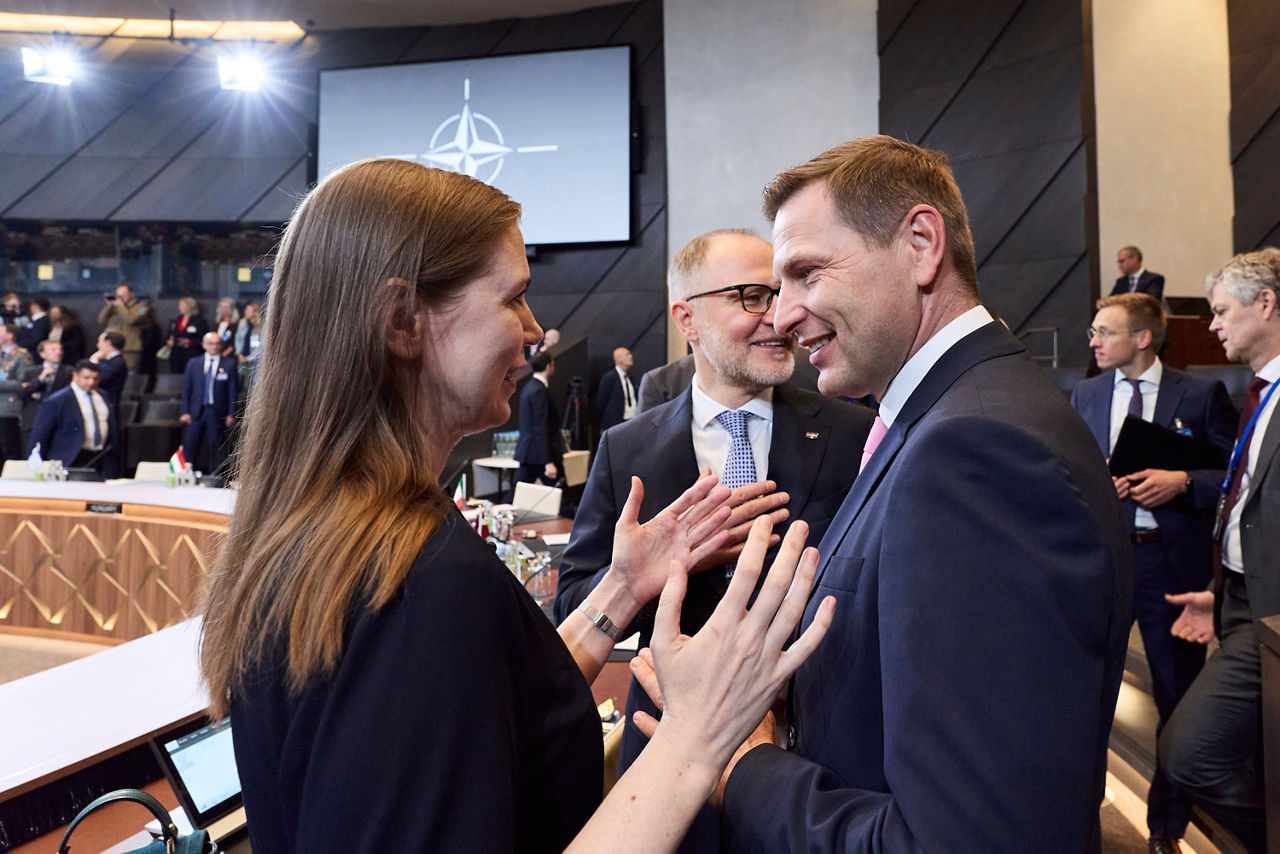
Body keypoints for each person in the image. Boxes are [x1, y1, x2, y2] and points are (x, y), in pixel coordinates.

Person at [197, 158, 833, 854]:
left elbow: (493, 704)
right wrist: (699, 738)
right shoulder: (420, 588)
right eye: (514, 298)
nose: (535, 330)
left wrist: (621, 588)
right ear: (403, 320)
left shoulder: (342, 533)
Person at [697, 136, 1133, 851]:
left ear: (922, 244)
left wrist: (744, 765)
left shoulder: (978, 450)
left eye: (807, 273)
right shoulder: (951, 416)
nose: (782, 316)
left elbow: (967, 839)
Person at [555, 227, 873, 853]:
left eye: (781, 293)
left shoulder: (851, 430)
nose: (779, 316)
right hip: (666, 758)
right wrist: (641, 575)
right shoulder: (629, 448)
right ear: (687, 318)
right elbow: (575, 607)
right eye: (752, 296)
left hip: (815, 761)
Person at [1070, 292, 1236, 853]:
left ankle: (1166, 827)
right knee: (1088, 691)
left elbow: (1232, 476)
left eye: (1104, 331)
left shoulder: (1201, 393)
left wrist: (1181, 482)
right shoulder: (1086, 393)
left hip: (1170, 564)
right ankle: (1078, 814)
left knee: (1175, 697)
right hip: (1103, 560)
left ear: (1142, 338)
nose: (1092, 342)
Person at [1160, 249, 1280, 852]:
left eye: (1219, 312)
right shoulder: (1260, 394)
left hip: (1271, 618)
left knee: (1191, 751)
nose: (1211, 325)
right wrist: (1221, 590)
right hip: (1237, 601)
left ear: (1266, 304)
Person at [27, 359, 119, 478]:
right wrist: (36, 468)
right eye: (86, 378)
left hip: (100, 459)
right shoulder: (57, 401)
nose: (91, 382)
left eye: (95, 378)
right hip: (71, 459)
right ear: (75, 376)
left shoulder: (102, 395)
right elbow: (40, 435)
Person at [180, 332, 238, 474]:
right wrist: (185, 411)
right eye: (211, 343)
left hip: (217, 411)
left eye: (217, 343)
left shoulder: (229, 364)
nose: (214, 346)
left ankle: (215, 476)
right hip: (195, 411)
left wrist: (231, 413)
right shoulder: (193, 363)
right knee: (190, 443)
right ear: (204, 345)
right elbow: (186, 390)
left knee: (216, 444)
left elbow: (233, 392)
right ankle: (187, 473)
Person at [514, 351, 564, 487]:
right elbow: (541, 427)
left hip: (531, 453)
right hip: (540, 455)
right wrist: (547, 461)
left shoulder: (529, 387)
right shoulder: (539, 390)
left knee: (516, 493)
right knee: (561, 497)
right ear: (548, 366)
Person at [18, 339, 72, 442]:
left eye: (60, 349)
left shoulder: (69, 371)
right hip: (32, 421)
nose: (58, 352)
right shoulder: (31, 372)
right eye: (53, 349)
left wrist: (40, 395)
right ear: (42, 354)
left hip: (58, 422)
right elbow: (22, 393)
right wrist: (39, 379)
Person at [96, 283, 151, 371]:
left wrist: (121, 306)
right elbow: (101, 320)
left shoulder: (142, 307)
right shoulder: (115, 307)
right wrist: (108, 306)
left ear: (131, 294)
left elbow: (131, 320)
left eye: (123, 295)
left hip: (130, 348)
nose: (120, 298)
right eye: (118, 295)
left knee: (129, 373)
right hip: (112, 346)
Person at [0, 323, 32, 461]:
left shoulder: (21, 356)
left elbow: (23, 383)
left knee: (8, 447)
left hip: (8, 407)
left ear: (10, 336)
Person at [595, 346, 637, 431]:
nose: (631, 356)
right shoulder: (609, 378)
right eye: (627, 355)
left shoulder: (630, 377)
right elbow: (601, 403)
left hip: (632, 421)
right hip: (616, 424)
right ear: (619, 359)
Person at [166, 296, 207, 373]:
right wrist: (170, 342)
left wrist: (189, 342)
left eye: (181, 306)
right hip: (177, 354)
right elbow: (169, 334)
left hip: (192, 354)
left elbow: (203, 338)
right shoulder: (177, 320)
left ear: (188, 307)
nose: (179, 308)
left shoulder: (199, 321)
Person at [90, 331, 128, 409]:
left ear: (108, 342)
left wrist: (93, 360)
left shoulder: (117, 362)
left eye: (99, 341)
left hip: (108, 404)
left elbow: (100, 379)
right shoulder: (105, 360)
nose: (97, 344)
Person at [233, 302, 262, 391]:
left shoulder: (262, 325)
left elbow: (262, 345)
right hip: (242, 357)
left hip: (255, 359)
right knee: (239, 381)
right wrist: (239, 353)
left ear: (255, 312)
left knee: (251, 384)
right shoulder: (243, 322)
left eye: (248, 310)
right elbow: (238, 338)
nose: (245, 312)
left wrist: (249, 357)